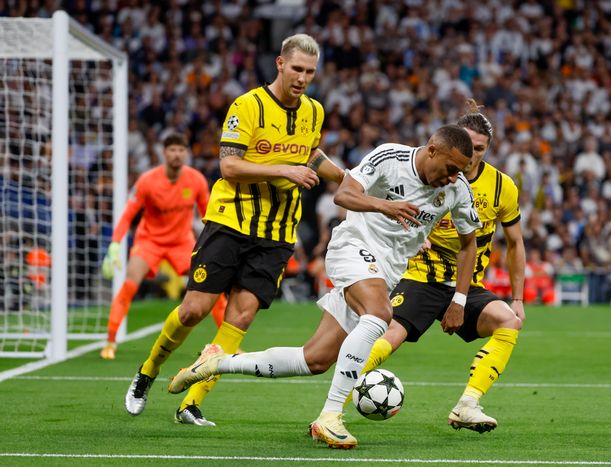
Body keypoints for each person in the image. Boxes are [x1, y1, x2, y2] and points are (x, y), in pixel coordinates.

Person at [168, 124, 482, 449]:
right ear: (432, 150)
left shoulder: (458, 189)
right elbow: (343, 195)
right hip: (353, 246)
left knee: (314, 360)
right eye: (450, 168)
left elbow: (468, 244)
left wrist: (459, 299)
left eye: (460, 172)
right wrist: (386, 205)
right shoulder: (390, 158)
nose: (453, 178)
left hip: (386, 271)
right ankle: (329, 417)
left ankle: (217, 362)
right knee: (379, 314)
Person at [124, 33, 345, 426]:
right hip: (231, 222)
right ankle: (149, 370)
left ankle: (191, 403)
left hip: (277, 233)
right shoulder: (248, 105)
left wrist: (347, 178)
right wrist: (285, 170)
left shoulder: (314, 111)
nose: (302, 78)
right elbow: (228, 166)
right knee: (193, 310)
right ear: (280, 63)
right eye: (296, 69)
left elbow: (311, 154)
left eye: (310, 72)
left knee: (240, 319)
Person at [354, 100, 526, 434]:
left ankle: (467, 405)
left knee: (509, 321)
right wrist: (412, 236)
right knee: (390, 335)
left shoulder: (502, 187)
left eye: (479, 149)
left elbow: (515, 243)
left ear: (488, 149)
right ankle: (336, 403)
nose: (472, 155)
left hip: (466, 284)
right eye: (468, 145)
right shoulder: (429, 174)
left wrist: (517, 298)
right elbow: (387, 205)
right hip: (421, 276)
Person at [99, 133, 226, 360]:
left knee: (210, 285)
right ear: (164, 153)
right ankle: (110, 341)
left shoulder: (196, 180)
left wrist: (216, 244)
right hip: (149, 241)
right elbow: (128, 214)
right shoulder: (147, 181)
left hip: (181, 242)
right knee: (129, 283)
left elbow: (208, 215)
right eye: (172, 150)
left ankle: (226, 343)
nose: (176, 154)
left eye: (181, 150)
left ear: (187, 153)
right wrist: (115, 244)